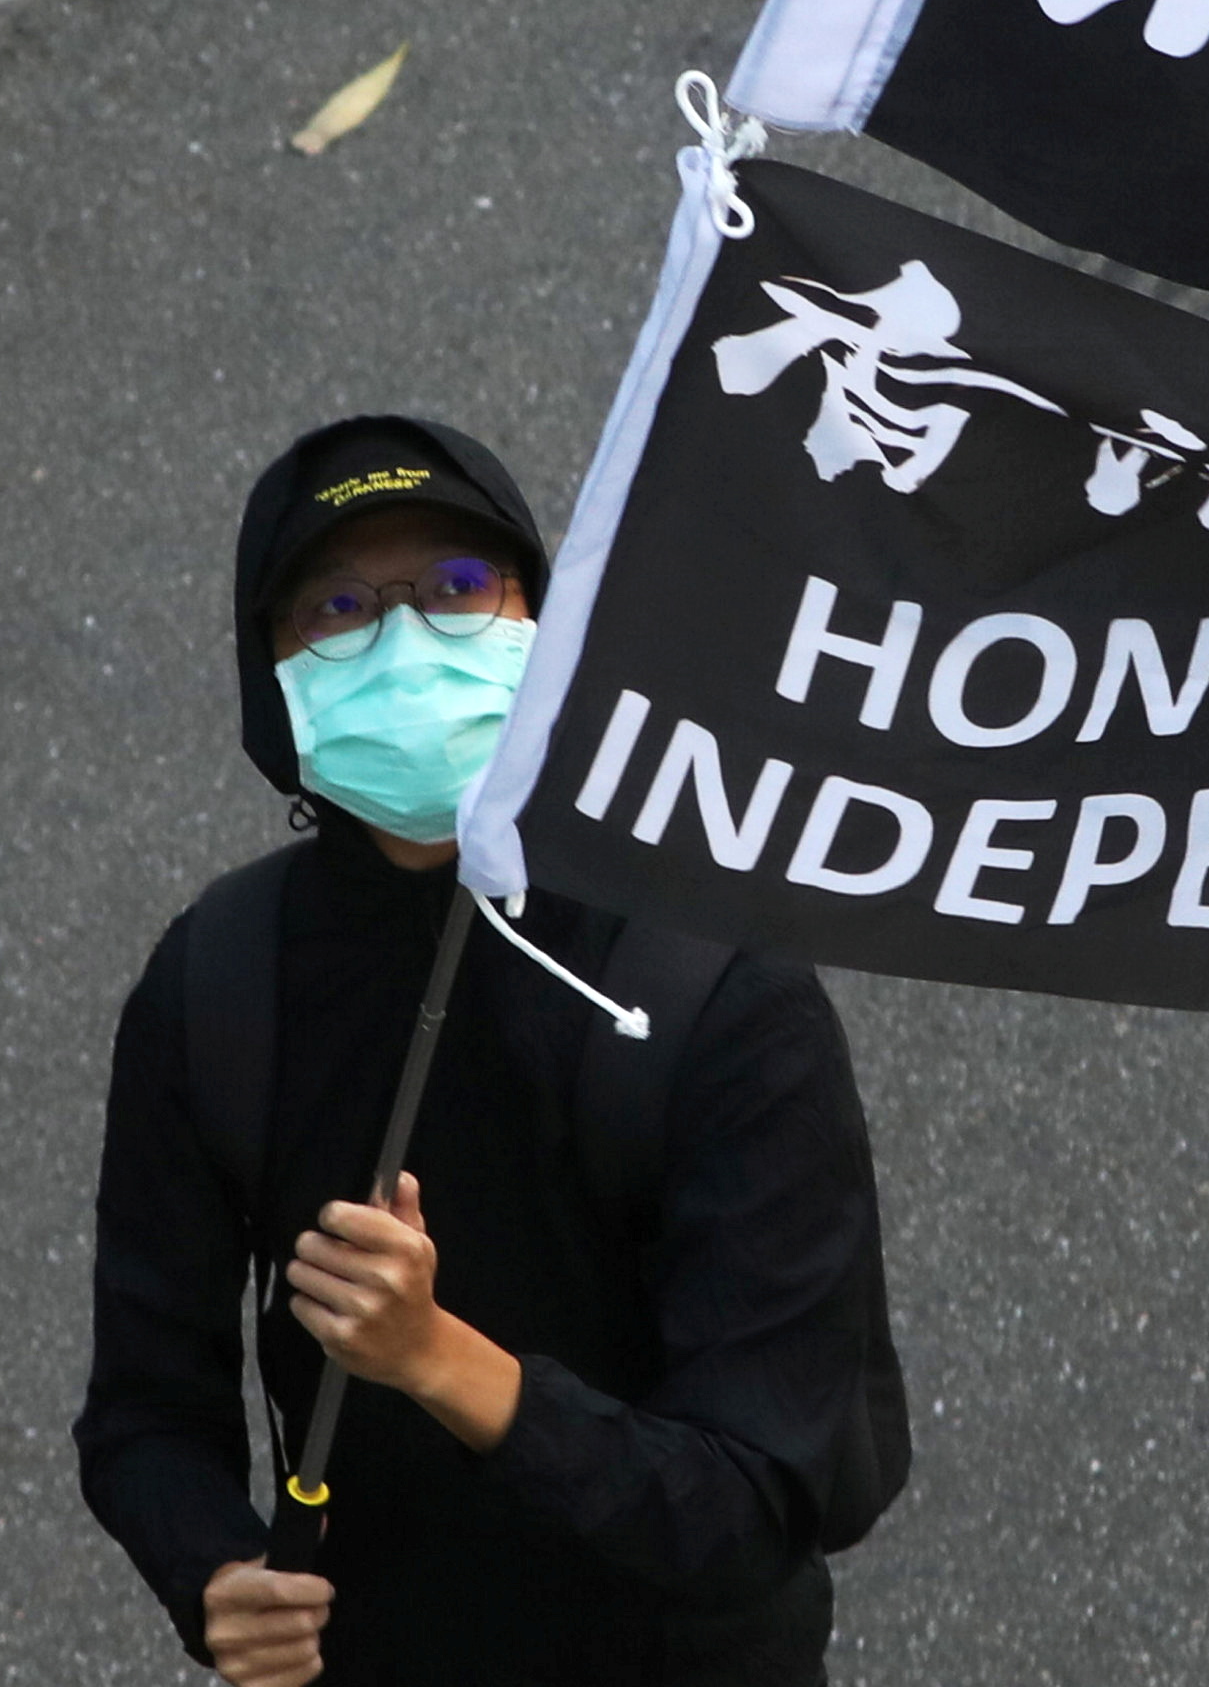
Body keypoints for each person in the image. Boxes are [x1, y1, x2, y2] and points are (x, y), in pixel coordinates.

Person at [77, 415, 903, 1684]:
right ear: (272, 672)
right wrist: (213, 1570)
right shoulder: (217, 983)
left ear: (540, 620)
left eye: (458, 585)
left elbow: (761, 1502)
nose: (404, 641)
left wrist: (438, 1358)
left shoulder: (715, 990)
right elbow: (144, 1410)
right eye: (338, 607)